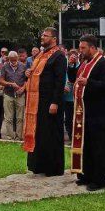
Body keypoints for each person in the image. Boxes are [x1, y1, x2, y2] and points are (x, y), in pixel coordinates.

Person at [72, 34, 105, 191]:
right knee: (87, 144)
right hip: (85, 111)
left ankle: (100, 179)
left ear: (92, 47)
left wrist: (88, 82)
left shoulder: (103, 64)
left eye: (83, 48)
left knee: (99, 146)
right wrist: (71, 66)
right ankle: (87, 174)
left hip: (100, 112)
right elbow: (75, 79)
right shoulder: (84, 63)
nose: (80, 50)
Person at [23, 27, 66, 176]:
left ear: (54, 39)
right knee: (39, 133)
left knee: (50, 134)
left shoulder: (59, 56)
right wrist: (28, 73)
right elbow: (35, 74)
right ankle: (38, 166)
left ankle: (52, 168)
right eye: (42, 35)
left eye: (45, 35)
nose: (42, 37)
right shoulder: (40, 55)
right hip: (37, 102)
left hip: (50, 101)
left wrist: (55, 102)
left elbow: (60, 81)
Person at [0, 51, 27, 140]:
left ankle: (19, 137)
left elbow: (27, 80)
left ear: (17, 58)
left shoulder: (23, 66)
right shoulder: (4, 67)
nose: (13, 62)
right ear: (8, 59)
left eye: (15, 60)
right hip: (8, 94)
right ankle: (10, 137)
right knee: (8, 117)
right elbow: (1, 81)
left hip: (20, 95)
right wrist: (10, 84)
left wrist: (23, 88)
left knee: (20, 117)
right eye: (11, 60)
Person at [64, 50, 81, 141]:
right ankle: (70, 135)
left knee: (78, 117)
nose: (73, 58)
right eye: (71, 57)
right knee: (68, 118)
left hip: (77, 97)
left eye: (75, 57)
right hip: (67, 97)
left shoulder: (81, 66)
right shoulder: (65, 66)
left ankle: (77, 135)